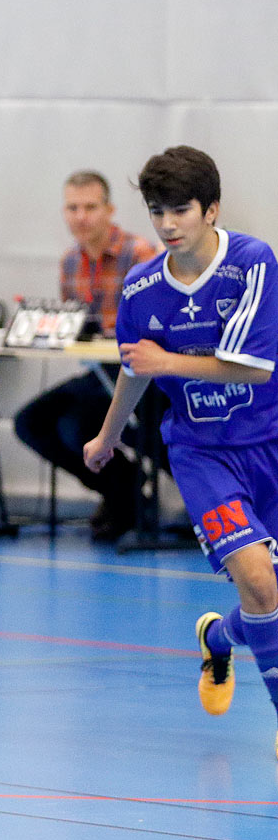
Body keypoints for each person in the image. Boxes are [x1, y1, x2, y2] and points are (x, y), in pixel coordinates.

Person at [85, 146, 278, 759]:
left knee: (265, 597)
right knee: (262, 585)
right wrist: (108, 435)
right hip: (201, 453)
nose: (167, 225)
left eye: (181, 210)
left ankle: (219, 635)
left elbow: (251, 370)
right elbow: (133, 372)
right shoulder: (142, 287)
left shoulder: (252, 265)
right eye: (157, 212)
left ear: (211, 209)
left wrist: (167, 360)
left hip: (269, 440)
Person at [15, 171, 160, 541]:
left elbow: (154, 323)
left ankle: (125, 499)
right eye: (73, 208)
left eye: (90, 207)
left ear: (109, 210)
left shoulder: (139, 253)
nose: (81, 217)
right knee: (30, 421)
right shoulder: (69, 262)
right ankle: (122, 492)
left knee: (75, 426)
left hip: (137, 373)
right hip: (97, 371)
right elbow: (74, 326)